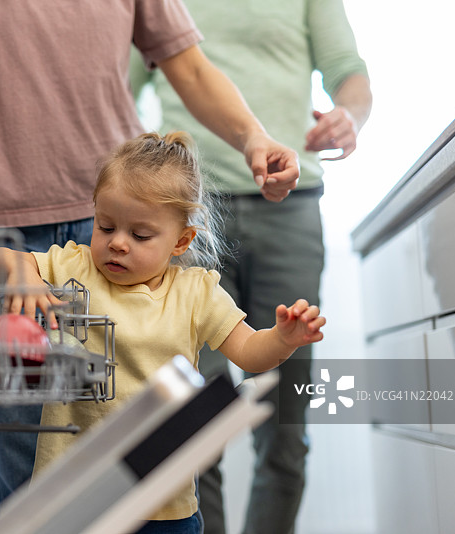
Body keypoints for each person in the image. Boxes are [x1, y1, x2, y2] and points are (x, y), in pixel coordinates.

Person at [0, 0, 301, 505]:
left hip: (107, 220)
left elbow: (189, 68)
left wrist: (252, 136)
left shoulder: (157, 261)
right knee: (31, 488)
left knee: (137, 464)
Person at [0, 131, 326, 533]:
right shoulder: (75, 266)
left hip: (163, 503)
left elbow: (250, 352)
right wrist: (19, 270)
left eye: (140, 235)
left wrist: (282, 339)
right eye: (105, 226)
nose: (118, 243)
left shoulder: (196, 292)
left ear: (181, 241)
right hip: (73, 499)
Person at [130, 1, 372, 532]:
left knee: (285, 420)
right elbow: (117, 87)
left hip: (290, 209)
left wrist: (348, 116)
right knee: (196, 417)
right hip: (186, 216)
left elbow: (348, 72)